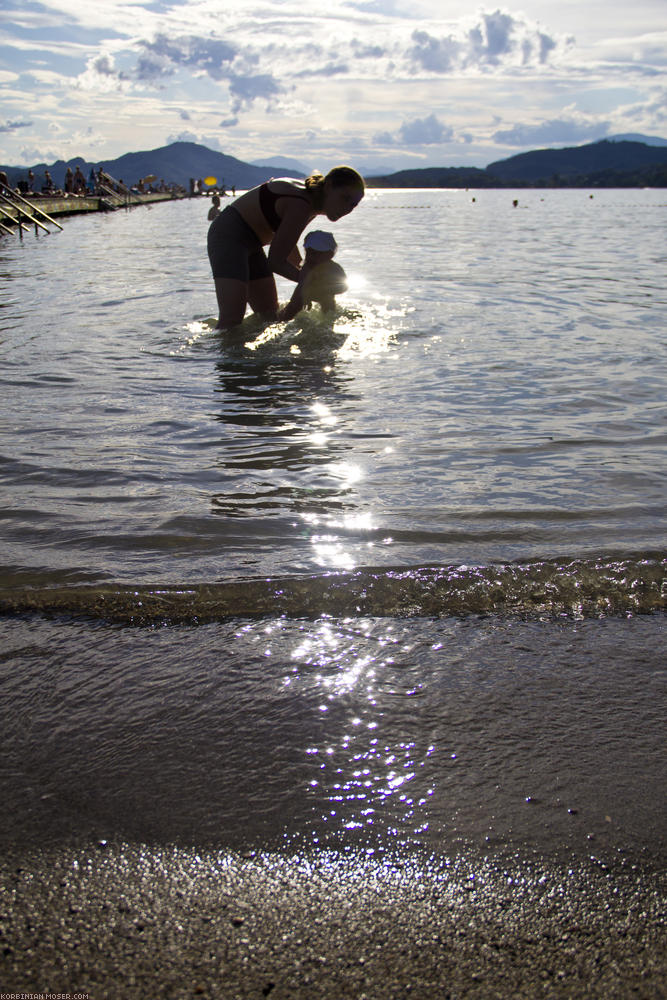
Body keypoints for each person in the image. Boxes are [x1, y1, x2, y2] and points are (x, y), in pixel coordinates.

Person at [207, 165, 364, 329]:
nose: (347, 208)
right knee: (231, 322)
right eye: (345, 198)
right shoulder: (302, 204)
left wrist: (306, 273)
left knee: (268, 315)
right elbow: (275, 262)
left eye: (353, 205)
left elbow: (288, 245)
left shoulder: (312, 202)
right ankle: (199, 354)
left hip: (253, 243)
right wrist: (309, 284)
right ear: (329, 185)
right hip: (228, 236)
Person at [279, 230, 347, 321]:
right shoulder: (307, 267)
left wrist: (327, 289)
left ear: (329, 255)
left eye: (316, 254)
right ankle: (281, 319)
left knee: (329, 306)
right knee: (294, 305)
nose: (311, 257)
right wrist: (305, 298)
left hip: (326, 294)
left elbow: (344, 286)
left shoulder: (334, 268)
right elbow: (302, 285)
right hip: (305, 291)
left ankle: (327, 324)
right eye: (308, 252)